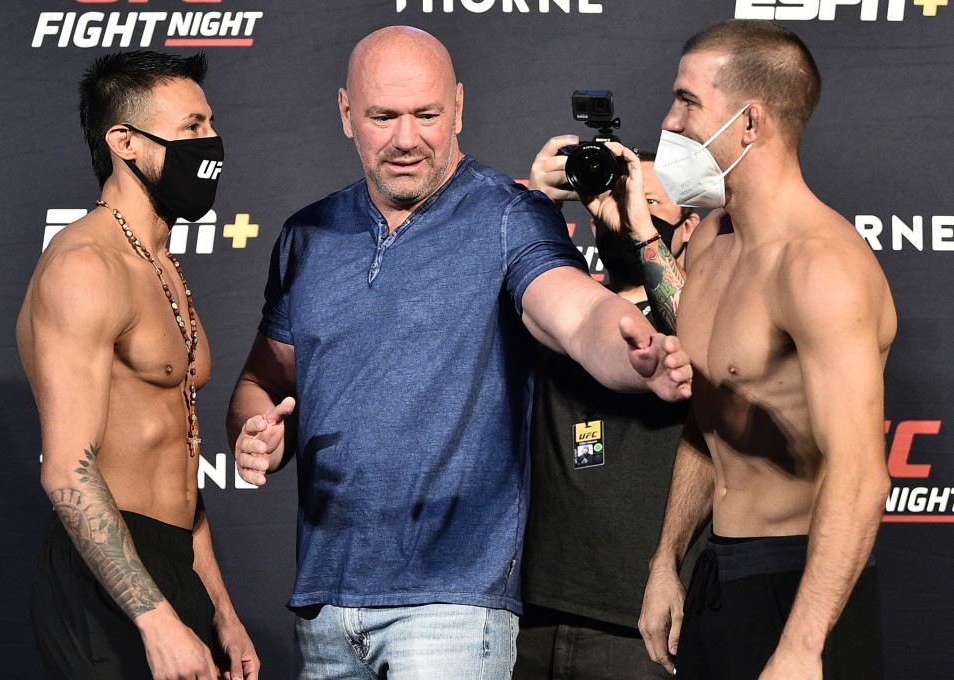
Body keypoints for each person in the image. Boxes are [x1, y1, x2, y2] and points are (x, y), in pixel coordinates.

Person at [226, 25, 691, 679]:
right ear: (345, 112)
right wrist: (253, 431)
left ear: (460, 108)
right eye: (384, 116)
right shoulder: (306, 235)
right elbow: (263, 379)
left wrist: (631, 348)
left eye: (428, 115)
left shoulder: (509, 215)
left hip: (452, 610)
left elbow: (574, 311)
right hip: (325, 605)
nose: (407, 139)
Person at [637, 19, 897, 680]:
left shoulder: (820, 267)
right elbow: (709, 415)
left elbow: (863, 473)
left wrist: (803, 645)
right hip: (719, 575)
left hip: (803, 583)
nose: (669, 120)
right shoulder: (709, 243)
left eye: (689, 101)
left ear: (749, 123)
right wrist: (669, 559)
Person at [16, 50, 257, 680]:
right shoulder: (85, 267)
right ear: (123, 140)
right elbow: (67, 471)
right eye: (191, 128)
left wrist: (221, 614)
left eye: (211, 125)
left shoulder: (163, 263)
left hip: (175, 561)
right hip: (104, 579)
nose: (211, 143)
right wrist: (154, 621)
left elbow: (180, 466)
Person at [512, 141, 700, 680]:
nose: (625, 206)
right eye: (616, 195)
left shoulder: (706, 309)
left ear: (687, 227)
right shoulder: (554, 315)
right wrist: (539, 206)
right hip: (532, 613)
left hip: (640, 618)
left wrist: (640, 225)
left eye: (649, 201)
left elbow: (703, 339)